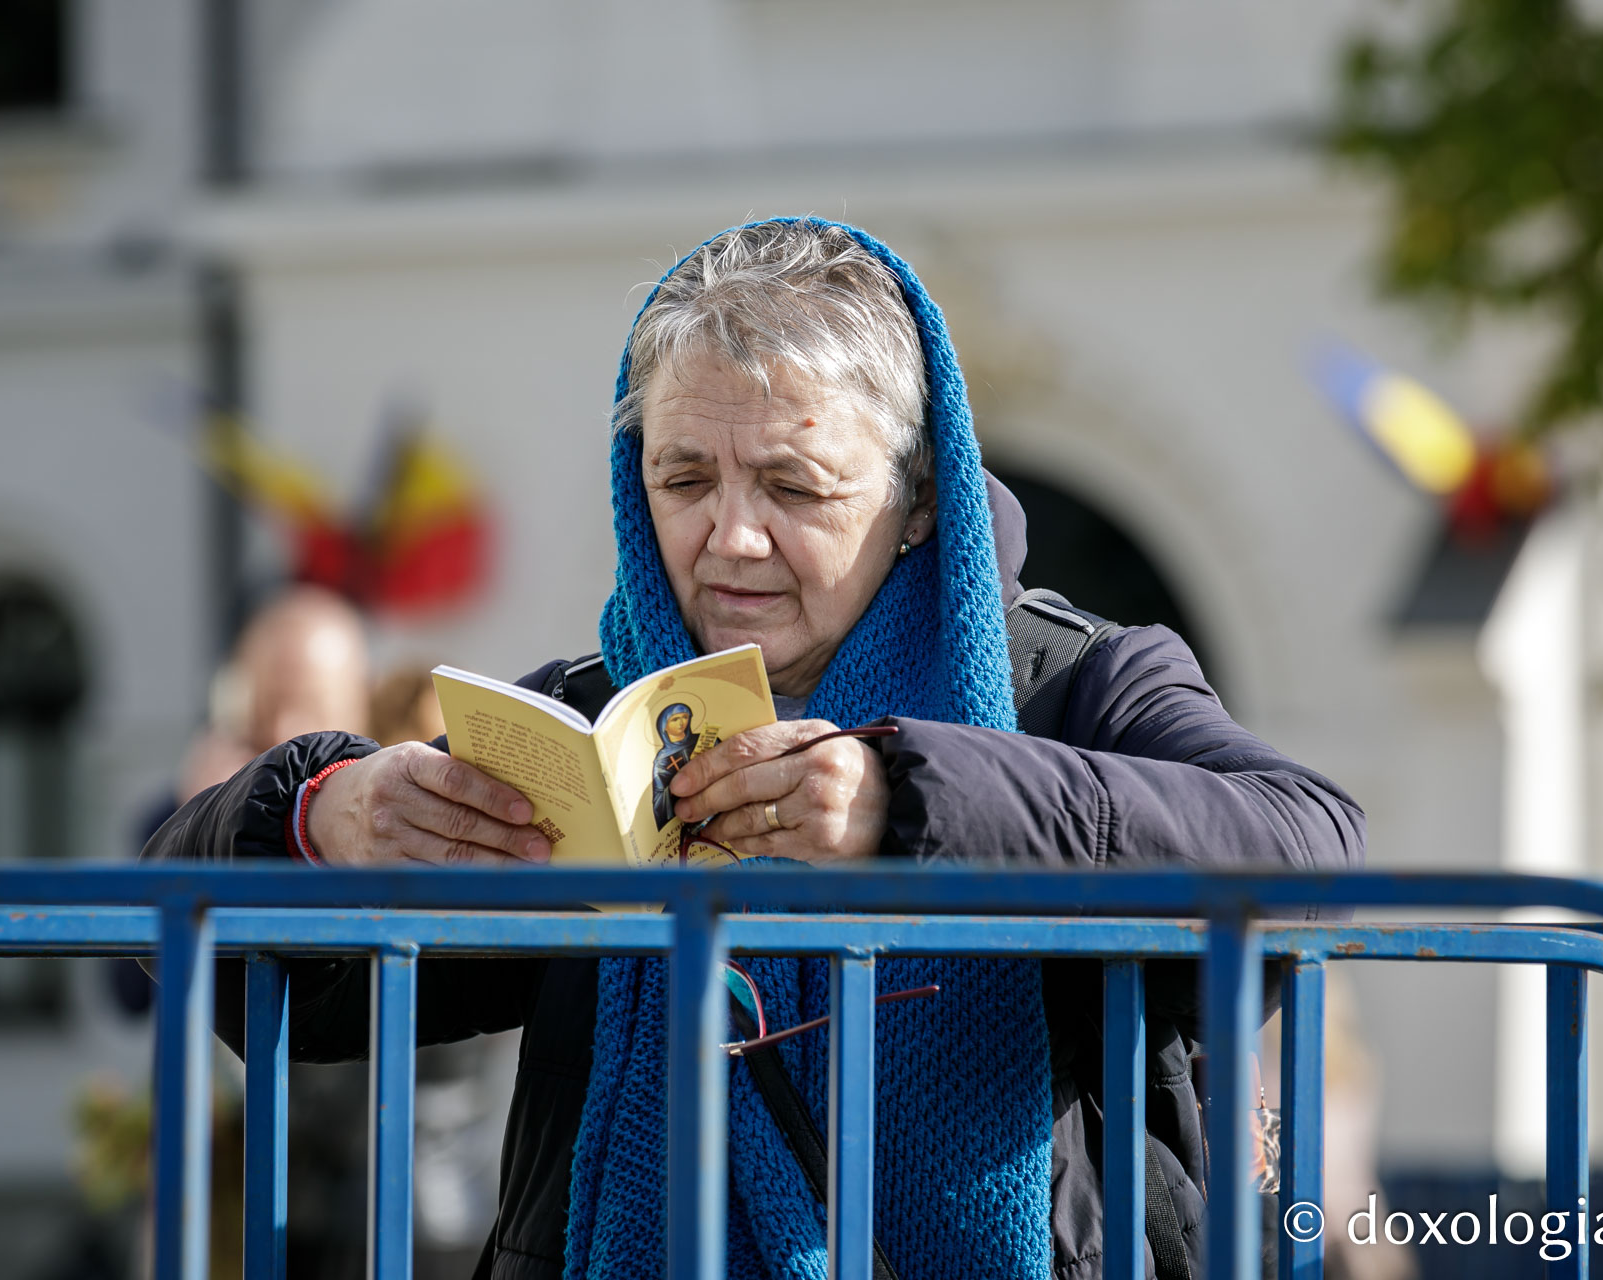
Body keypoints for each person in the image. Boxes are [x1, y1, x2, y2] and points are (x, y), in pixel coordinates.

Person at [144, 219, 1364, 1280]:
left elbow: (1312, 850)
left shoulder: (1085, 678)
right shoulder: (590, 712)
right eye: (685, 478)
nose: (731, 537)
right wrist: (316, 819)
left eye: (793, 483)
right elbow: (218, 960)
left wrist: (907, 798)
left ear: (920, 497)